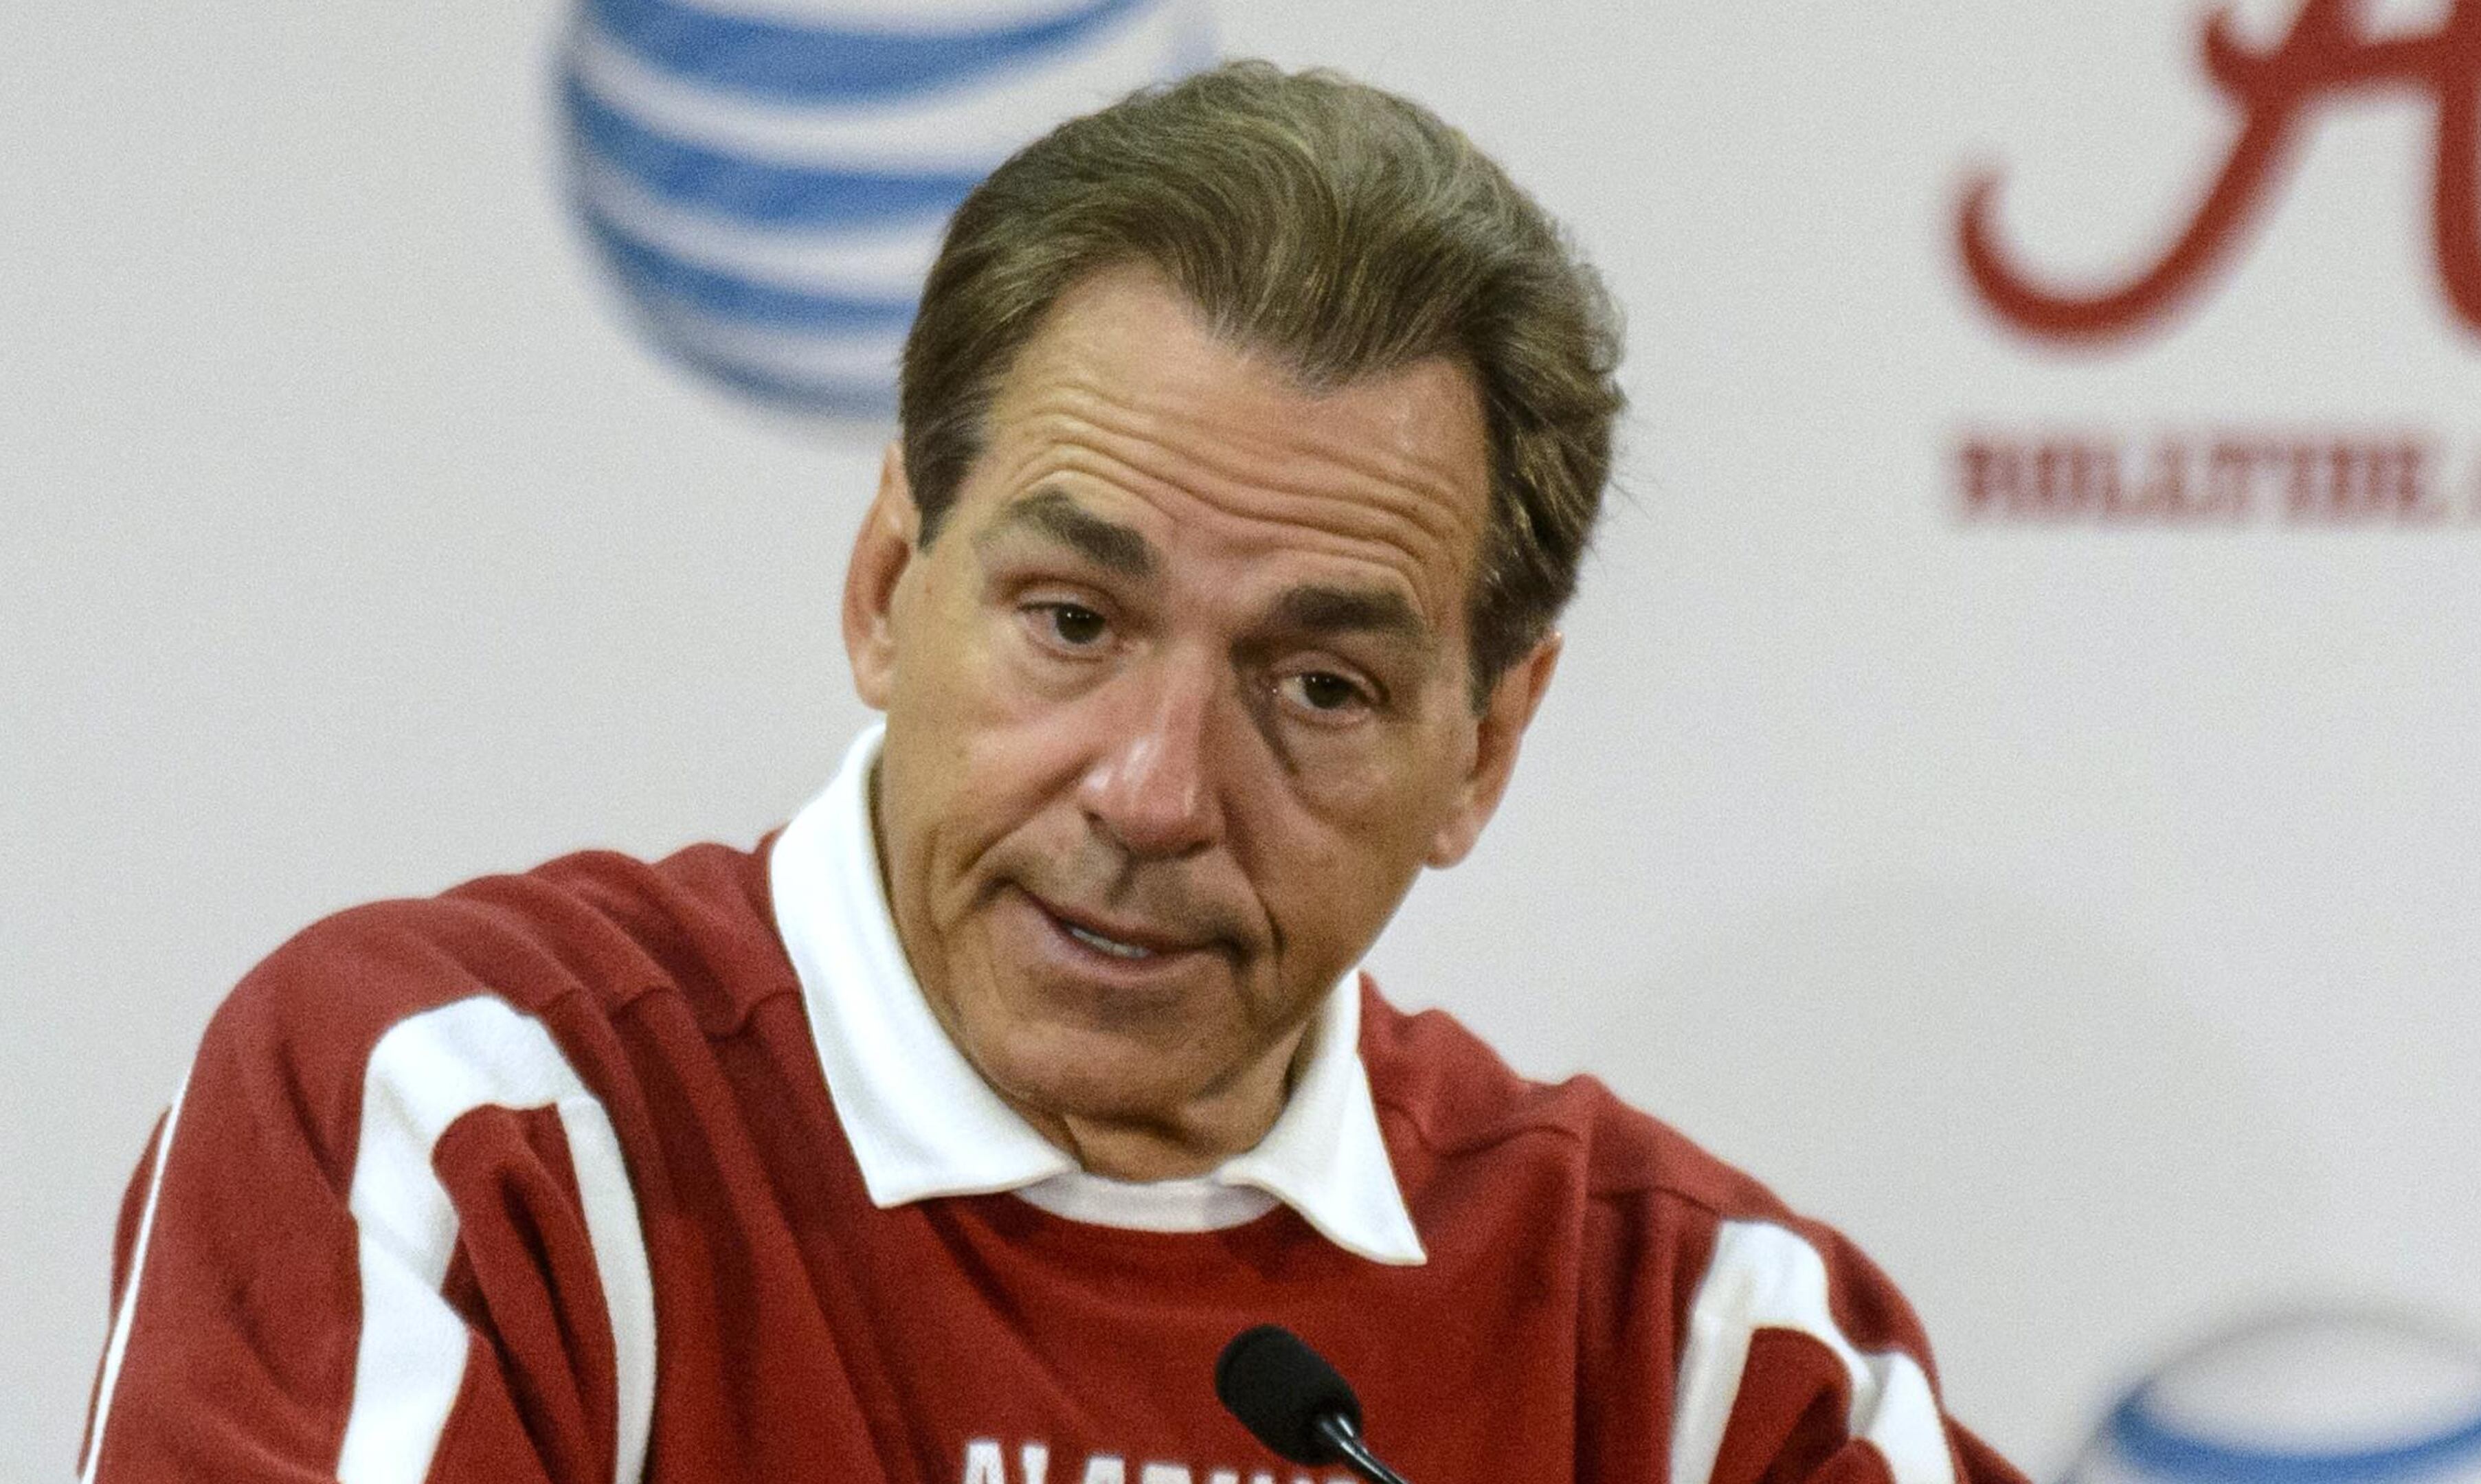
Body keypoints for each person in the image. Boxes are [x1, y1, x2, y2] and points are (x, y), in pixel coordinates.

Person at [78, 61, 2024, 1484]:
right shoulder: (475, 1126)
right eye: (1073, 623)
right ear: (885, 587)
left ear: (1485, 751)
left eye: (1322, 687)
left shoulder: (1694, 1356)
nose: (1157, 794)